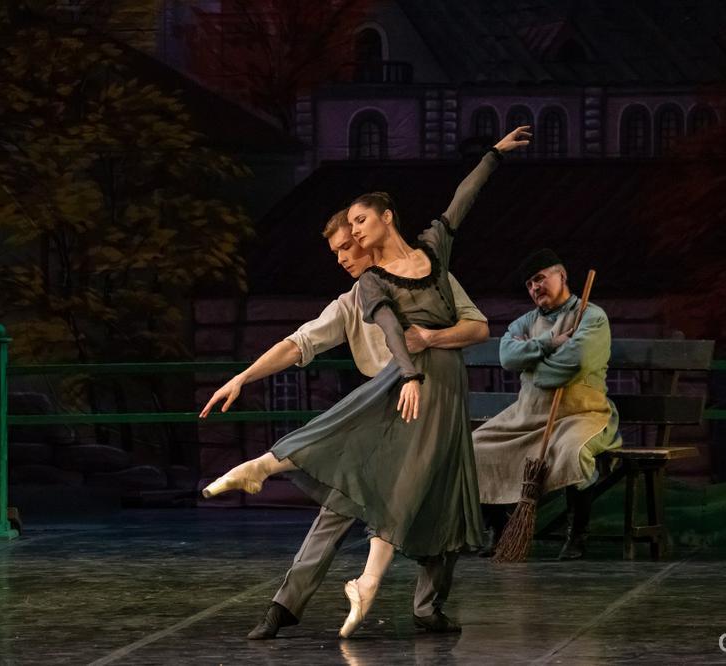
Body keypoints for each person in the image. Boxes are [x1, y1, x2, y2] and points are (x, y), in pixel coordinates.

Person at [202, 126, 530, 637]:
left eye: (349, 243)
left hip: (428, 399)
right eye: (340, 247)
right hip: (386, 409)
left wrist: (430, 339)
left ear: (374, 231)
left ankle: (426, 606)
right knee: (340, 503)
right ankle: (285, 605)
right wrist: (243, 376)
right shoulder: (358, 297)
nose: (344, 255)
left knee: (439, 500)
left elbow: (476, 326)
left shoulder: (431, 268)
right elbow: (297, 343)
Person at [473, 249, 622, 560]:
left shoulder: (591, 316)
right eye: (529, 284)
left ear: (561, 275)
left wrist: (534, 369)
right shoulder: (524, 323)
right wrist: (550, 343)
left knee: (572, 451)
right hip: (526, 416)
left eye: (540, 278)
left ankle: (576, 535)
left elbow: (577, 360)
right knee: (474, 448)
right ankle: (499, 530)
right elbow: (507, 357)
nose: (535, 288)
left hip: (581, 414)